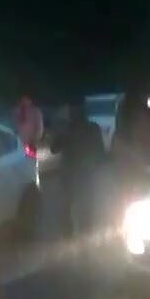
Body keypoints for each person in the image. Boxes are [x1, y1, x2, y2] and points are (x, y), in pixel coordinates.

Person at [52, 99, 106, 236]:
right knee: (85, 204)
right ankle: (84, 231)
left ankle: (69, 232)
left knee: (68, 204)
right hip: (84, 171)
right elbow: (101, 153)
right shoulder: (92, 128)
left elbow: (54, 148)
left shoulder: (67, 129)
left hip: (71, 172)